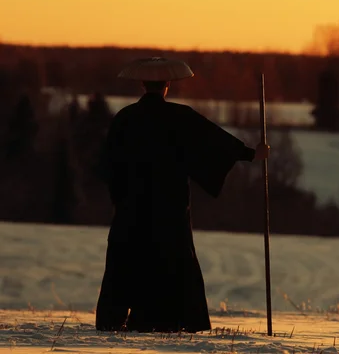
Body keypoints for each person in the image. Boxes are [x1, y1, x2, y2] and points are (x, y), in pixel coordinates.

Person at [95, 57, 269, 333]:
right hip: (169, 206)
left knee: (125, 259)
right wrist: (252, 154)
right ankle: (180, 319)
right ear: (167, 86)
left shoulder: (125, 118)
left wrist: (121, 195)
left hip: (131, 208)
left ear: (142, 85)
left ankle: (114, 318)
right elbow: (216, 140)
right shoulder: (180, 116)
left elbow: (106, 164)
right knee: (175, 260)